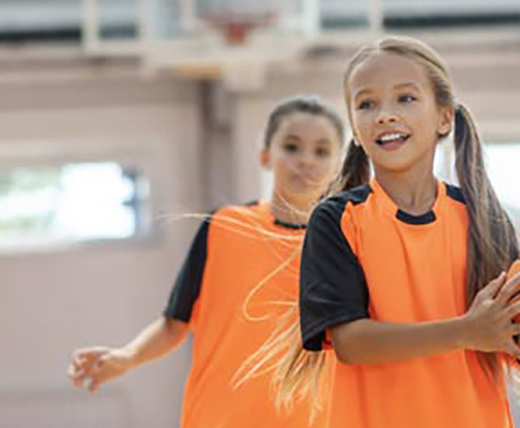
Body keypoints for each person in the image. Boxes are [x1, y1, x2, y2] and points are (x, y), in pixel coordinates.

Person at [256, 36, 520, 428]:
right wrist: (465, 330)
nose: (385, 113)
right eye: (366, 104)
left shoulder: (482, 219)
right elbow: (351, 342)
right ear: (357, 131)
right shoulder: (338, 220)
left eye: (405, 97)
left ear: (443, 117)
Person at [68, 95, 346, 427]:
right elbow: (174, 324)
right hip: (218, 416)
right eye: (292, 146)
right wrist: (126, 357)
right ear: (265, 156)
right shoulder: (223, 226)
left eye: (322, 151)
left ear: (337, 165)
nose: (306, 160)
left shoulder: (345, 244)